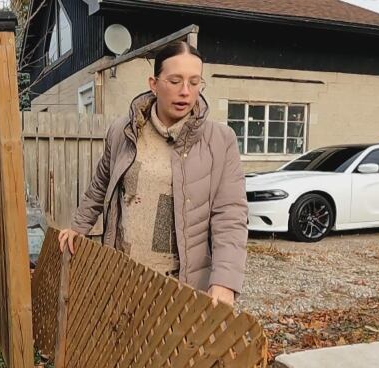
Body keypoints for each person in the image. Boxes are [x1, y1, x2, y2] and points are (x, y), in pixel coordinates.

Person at [58, 41, 247, 306]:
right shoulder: (123, 131)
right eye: (174, 81)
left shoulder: (220, 141)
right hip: (123, 275)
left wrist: (225, 281)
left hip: (180, 285)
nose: (185, 92)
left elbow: (230, 216)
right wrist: (78, 227)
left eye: (194, 83)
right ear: (154, 83)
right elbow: (101, 184)